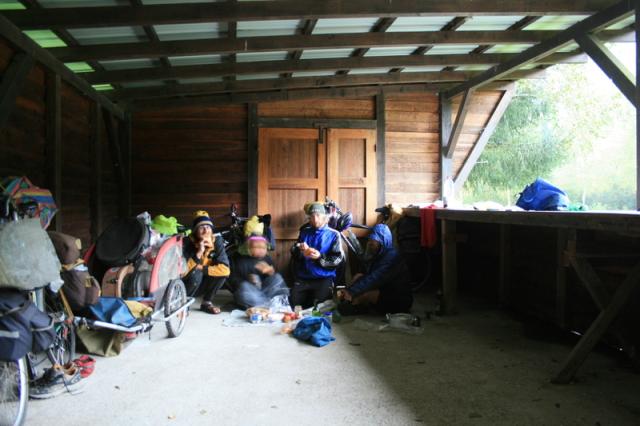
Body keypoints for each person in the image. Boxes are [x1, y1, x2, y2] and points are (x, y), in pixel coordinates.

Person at [337, 223, 413, 315]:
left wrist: (351, 292)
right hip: (385, 289)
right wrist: (350, 288)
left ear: (382, 241)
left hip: (400, 299)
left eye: (374, 240)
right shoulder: (377, 253)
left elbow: (374, 278)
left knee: (365, 295)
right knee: (358, 277)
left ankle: (358, 306)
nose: (370, 243)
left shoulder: (392, 257)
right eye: (370, 240)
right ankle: (358, 304)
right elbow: (365, 273)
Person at [290, 202, 344, 309]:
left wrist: (319, 257)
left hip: (324, 278)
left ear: (325, 217)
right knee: (293, 305)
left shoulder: (334, 234)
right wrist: (300, 250)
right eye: (312, 216)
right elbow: (294, 251)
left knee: (320, 308)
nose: (315, 219)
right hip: (304, 278)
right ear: (309, 218)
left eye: (318, 216)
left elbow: (337, 260)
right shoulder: (304, 232)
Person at [182, 210, 230, 314]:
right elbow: (182, 272)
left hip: (203, 283)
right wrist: (199, 252)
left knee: (220, 274)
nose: (205, 230)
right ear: (195, 231)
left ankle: (206, 303)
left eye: (208, 227)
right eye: (201, 227)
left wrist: (201, 265)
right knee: (196, 274)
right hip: (187, 284)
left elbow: (225, 270)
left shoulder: (217, 241)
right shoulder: (187, 242)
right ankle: (183, 303)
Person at [230, 235, 289, 309]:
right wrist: (249, 280)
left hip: (265, 291)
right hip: (250, 292)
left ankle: (263, 304)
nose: (261, 250)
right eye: (257, 247)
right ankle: (269, 304)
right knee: (244, 287)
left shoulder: (267, 259)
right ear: (249, 248)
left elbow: (273, 282)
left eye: (263, 248)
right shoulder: (239, 259)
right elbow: (232, 280)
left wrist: (271, 272)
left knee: (277, 278)